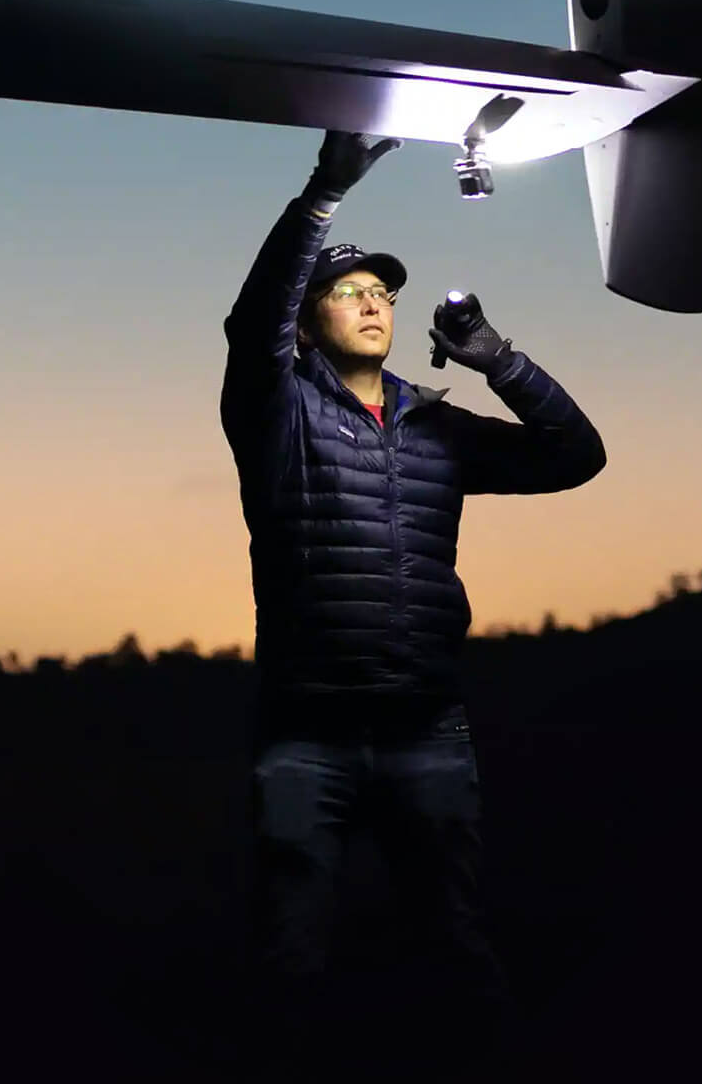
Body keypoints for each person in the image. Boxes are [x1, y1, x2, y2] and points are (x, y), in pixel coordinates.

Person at [221, 129, 606, 1075]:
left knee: (455, 948)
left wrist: (499, 360)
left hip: (428, 729)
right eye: (347, 293)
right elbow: (251, 323)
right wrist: (323, 195)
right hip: (305, 733)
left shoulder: (436, 426)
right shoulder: (276, 410)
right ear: (309, 321)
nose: (372, 305)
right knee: (291, 959)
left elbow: (576, 457)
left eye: (382, 294)